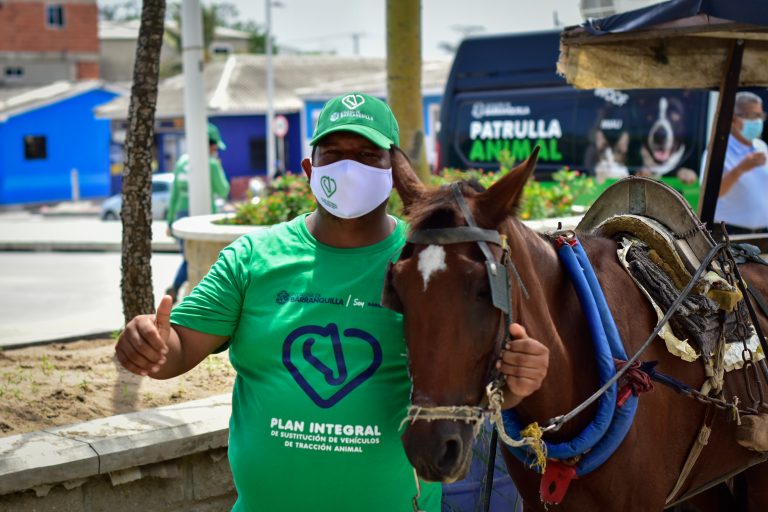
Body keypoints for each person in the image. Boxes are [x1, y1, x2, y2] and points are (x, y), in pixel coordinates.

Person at [116, 93, 549, 511]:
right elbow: (179, 348)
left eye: (367, 155)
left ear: (395, 173)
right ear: (309, 168)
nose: (350, 168)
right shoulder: (252, 258)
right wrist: (150, 345)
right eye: (334, 154)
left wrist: (516, 385)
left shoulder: (427, 265)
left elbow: (469, 383)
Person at [165, 123, 231, 302]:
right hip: (204, 215)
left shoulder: (182, 162)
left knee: (188, 257)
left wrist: (169, 221)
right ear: (210, 145)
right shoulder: (211, 163)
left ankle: (175, 289)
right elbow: (223, 190)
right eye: (216, 146)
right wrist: (218, 167)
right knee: (194, 259)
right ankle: (177, 288)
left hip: (180, 215)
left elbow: (175, 195)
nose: (216, 150)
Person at [710, 91, 768, 238]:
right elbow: (713, 193)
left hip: (762, 234)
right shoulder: (717, 151)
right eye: (752, 116)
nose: (758, 121)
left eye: (760, 115)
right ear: (734, 120)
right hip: (731, 234)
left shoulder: (761, 146)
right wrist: (741, 169)